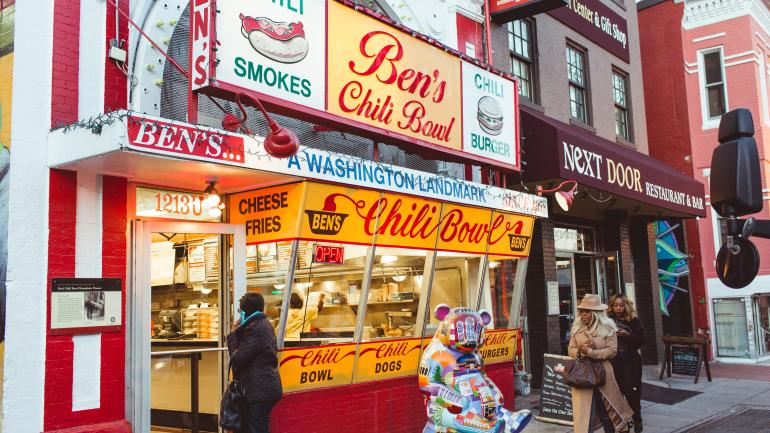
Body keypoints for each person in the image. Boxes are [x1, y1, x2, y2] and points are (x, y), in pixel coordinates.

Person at [568, 294, 634, 433]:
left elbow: (612, 350)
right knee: (585, 415)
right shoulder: (577, 328)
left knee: (608, 412)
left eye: (587, 311)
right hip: (582, 374)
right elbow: (570, 350)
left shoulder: (608, 327)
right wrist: (580, 352)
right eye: (582, 311)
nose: (583, 315)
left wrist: (592, 352)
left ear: (596, 313)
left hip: (603, 373)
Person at [227, 292, 282, 433]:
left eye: (240, 311)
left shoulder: (255, 328)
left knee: (256, 429)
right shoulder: (263, 324)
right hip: (263, 387)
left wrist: (233, 335)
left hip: (260, 390)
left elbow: (238, 358)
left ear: (245, 311)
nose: (240, 315)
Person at [607, 294, 645, 433]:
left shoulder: (633, 320)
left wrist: (628, 335)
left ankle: (637, 420)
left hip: (631, 362)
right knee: (618, 393)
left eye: (621, 305)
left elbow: (641, 340)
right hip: (615, 362)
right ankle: (623, 422)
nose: (618, 308)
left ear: (626, 306)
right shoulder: (608, 320)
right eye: (615, 305)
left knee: (632, 394)